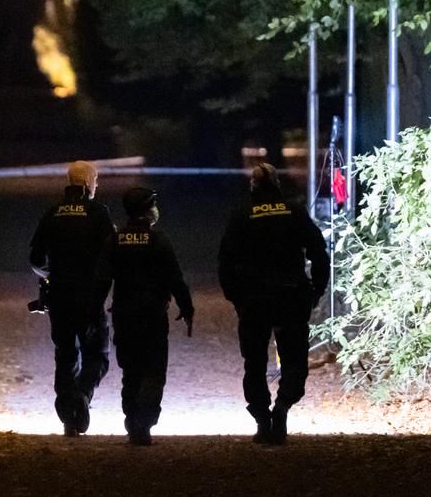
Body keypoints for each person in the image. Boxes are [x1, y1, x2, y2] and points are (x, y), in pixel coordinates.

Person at [217, 162, 329, 445]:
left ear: (253, 186)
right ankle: (282, 409)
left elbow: (225, 261)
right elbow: (318, 251)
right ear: (277, 184)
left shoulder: (242, 214)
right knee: (294, 361)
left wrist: (236, 298)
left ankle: (261, 419)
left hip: (253, 301)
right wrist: (316, 289)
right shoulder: (294, 211)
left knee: (254, 362)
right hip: (291, 298)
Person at [29, 160, 116, 436]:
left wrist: (52, 275)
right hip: (90, 298)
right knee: (98, 353)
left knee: (65, 354)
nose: (96, 186)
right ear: (88, 183)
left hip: (59, 297)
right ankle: (82, 395)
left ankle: (68, 415)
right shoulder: (99, 213)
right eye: (96, 181)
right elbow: (113, 255)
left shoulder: (52, 212)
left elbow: (36, 259)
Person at [103, 186, 194, 446]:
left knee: (131, 371)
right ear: (146, 210)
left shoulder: (115, 240)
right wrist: (186, 307)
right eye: (153, 204)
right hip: (152, 317)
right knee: (153, 371)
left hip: (124, 317)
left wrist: (92, 310)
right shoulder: (158, 240)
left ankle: (133, 421)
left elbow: (101, 279)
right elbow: (175, 278)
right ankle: (143, 421)